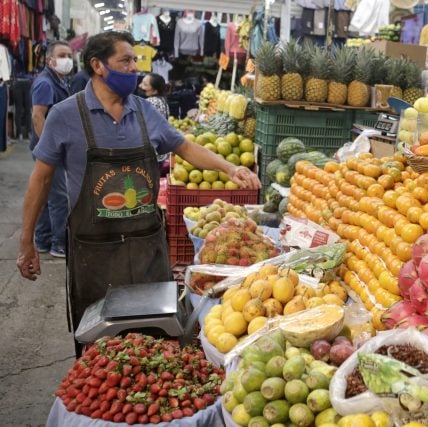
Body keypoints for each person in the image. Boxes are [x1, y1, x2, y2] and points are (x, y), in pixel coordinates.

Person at [16, 31, 260, 355]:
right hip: (95, 258)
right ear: (98, 66)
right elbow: (41, 180)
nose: (134, 67)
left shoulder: (145, 112)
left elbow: (184, 146)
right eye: (125, 60)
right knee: (100, 357)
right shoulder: (65, 115)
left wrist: (230, 169)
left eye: (135, 60)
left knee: (154, 352)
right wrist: (27, 242)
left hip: (147, 253)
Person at [30, 40, 74, 258]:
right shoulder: (46, 83)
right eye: (62, 55)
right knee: (59, 198)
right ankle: (59, 244)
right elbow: (38, 116)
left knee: (48, 196)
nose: (67, 59)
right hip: (49, 149)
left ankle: (43, 240)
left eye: (69, 55)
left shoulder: (59, 80)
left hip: (52, 147)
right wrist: (50, 147)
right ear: (51, 60)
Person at [138, 73, 171, 172]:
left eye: (145, 84)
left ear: (155, 90)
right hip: (160, 153)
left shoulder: (151, 102)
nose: (140, 86)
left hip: (151, 155)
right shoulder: (162, 101)